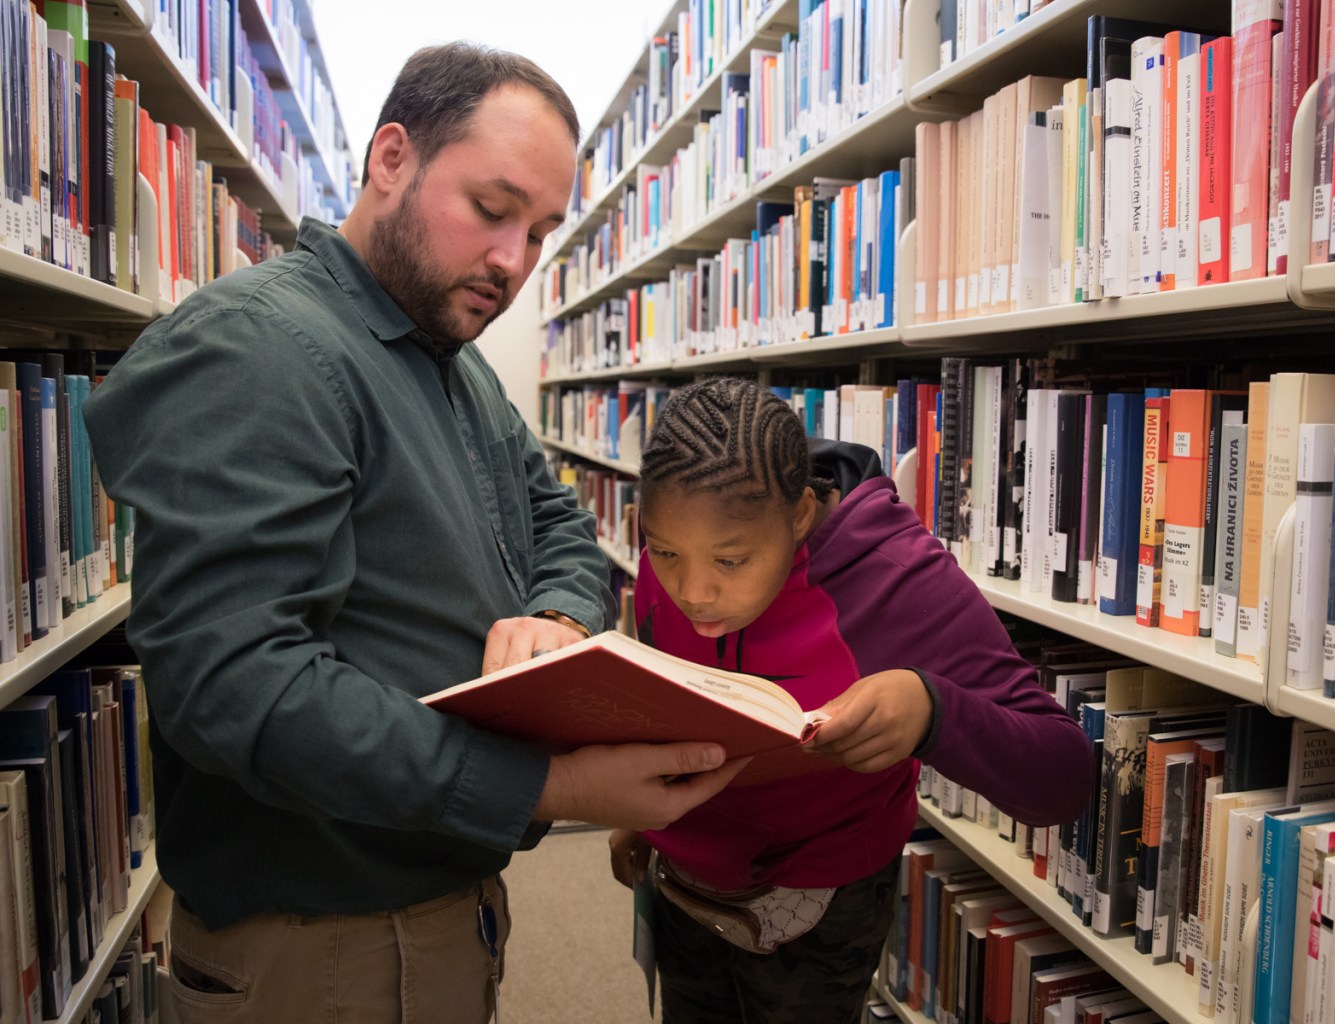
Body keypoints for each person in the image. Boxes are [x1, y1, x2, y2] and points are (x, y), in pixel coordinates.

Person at [84, 43, 742, 1022]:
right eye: (491, 208)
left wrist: (557, 617)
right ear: (391, 158)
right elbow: (234, 684)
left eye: (542, 230)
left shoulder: (450, 359)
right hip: (326, 950)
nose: (514, 261)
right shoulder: (260, 349)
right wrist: (546, 781)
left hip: (429, 917)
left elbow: (559, 517)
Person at [607, 377, 1096, 1023]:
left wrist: (932, 710)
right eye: (666, 552)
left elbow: (1063, 779)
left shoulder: (899, 577)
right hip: (682, 879)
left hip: (820, 905)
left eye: (732, 561)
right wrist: (631, 809)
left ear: (801, 515)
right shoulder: (679, 537)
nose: (692, 590)